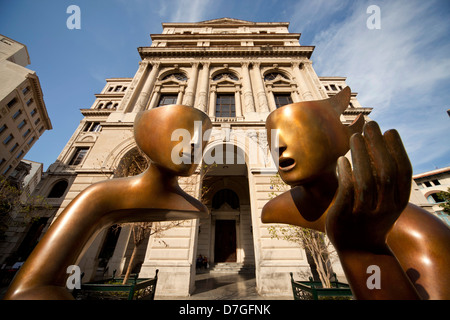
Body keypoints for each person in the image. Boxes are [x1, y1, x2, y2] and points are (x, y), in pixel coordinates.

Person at [5, 105, 212, 300]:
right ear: (150, 136)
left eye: (202, 137)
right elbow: (31, 288)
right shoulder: (97, 195)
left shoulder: (192, 205)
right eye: (181, 133)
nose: (194, 143)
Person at [262, 87, 450, 299]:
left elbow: (379, 283)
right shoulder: (277, 208)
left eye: (297, 131)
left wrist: (364, 252)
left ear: (339, 142)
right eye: (273, 140)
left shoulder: (421, 232)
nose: (280, 147)